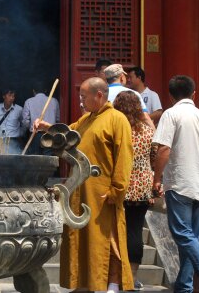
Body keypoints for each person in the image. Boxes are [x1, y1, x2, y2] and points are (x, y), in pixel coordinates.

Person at [35, 77, 134, 292]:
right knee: (81, 238)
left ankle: (112, 285)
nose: (81, 101)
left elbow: (124, 158)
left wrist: (116, 190)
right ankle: (84, 284)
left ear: (99, 95)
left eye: (83, 97)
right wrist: (46, 128)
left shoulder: (117, 119)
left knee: (108, 239)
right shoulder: (87, 119)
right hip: (80, 189)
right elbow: (66, 134)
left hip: (103, 192)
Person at [152, 75, 199, 293]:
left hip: (179, 182)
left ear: (170, 96)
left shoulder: (171, 114)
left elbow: (163, 149)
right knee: (191, 239)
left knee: (182, 234)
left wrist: (156, 178)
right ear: (194, 94)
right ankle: (184, 287)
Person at [113, 91, 157, 291]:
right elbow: (154, 157)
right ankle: (132, 277)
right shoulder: (148, 132)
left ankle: (114, 276)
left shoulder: (117, 130)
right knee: (134, 231)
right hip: (141, 187)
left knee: (115, 232)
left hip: (119, 186)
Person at [104, 64, 155, 130]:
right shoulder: (133, 93)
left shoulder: (101, 94)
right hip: (127, 134)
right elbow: (144, 117)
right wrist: (155, 133)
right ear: (122, 77)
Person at [22, 84, 60, 155]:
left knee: (35, 159)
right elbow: (58, 119)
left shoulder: (29, 101)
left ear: (33, 91)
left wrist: (25, 132)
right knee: (49, 159)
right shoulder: (54, 101)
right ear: (45, 90)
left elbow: (25, 122)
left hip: (35, 135)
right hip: (50, 134)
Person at [0, 90, 24, 154]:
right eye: (9, 96)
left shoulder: (19, 109)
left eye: (13, 96)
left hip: (14, 140)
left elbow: (24, 124)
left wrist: (20, 134)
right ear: (4, 96)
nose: (11, 98)